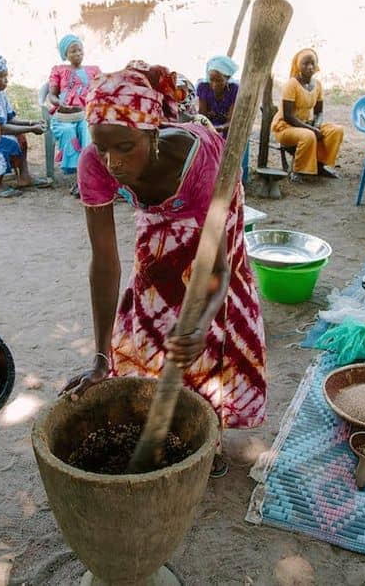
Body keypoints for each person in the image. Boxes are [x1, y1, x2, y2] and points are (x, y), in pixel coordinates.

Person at [62, 61, 267, 478]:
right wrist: (101, 358)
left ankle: (207, 432)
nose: (112, 162)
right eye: (102, 146)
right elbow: (104, 263)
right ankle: (161, 423)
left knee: (207, 333)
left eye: (124, 147)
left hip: (209, 206)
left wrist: (199, 322)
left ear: (152, 133)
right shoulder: (95, 164)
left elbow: (218, 267)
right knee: (153, 313)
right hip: (158, 216)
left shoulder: (202, 160)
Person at [0, 55, 51, 197]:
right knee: (8, 142)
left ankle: (24, 177)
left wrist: (31, 123)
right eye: (2, 76)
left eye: (6, 75)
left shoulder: (0, 93)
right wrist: (31, 129)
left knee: (20, 137)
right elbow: (0, 128)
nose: (6, 80)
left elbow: (10, 118)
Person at [270, 48, 344, 180]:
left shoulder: (318, 85)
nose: (310, 67)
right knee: (308, 135)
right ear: (298, 65)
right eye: (305, 63)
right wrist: (312, 129)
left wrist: (317, 125)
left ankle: (320, 165)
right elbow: (288, 116)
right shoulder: (291, 84)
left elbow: (319, 112)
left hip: (306, 124)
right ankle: (298, 171)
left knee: (336, 131)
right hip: (286, 127)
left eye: (312, 63)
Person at [47, 34, 102, 193]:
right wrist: (59, 102)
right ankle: (81, 179)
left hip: (87, 113)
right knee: (68, 131)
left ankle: (84, 179)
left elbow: (101, 90)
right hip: (65, 115)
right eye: (73, 51)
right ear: (65, 54)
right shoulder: (59, 70)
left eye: (80, 50)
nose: (77, 53)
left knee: (86, 129)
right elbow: (51, 95)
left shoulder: (94, 70)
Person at [197, 55, 239, 135]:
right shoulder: (203, 87)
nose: (214, 84)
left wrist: (220, 128)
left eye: (219, 81)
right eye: (211, 80)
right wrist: (209, 128)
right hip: (209, 126)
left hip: (229, 128)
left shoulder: (234, 90)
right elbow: (203, 116)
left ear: (228, 78)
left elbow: (232, 121)